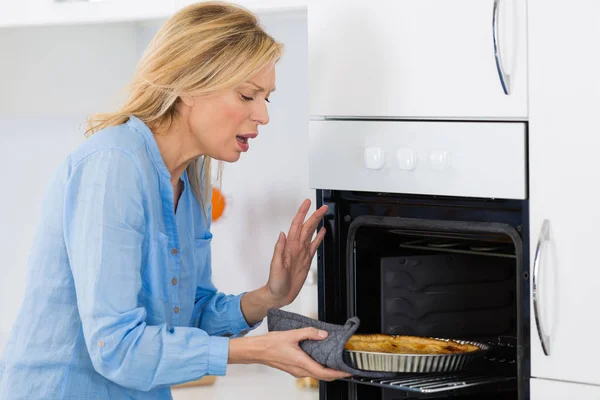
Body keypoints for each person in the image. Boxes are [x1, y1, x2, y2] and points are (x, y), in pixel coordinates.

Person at [0, 2, 350, 399]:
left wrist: (269, 297)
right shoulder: (113, 166)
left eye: (265, 98)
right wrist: (254, 352)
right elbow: (115, 348)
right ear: (189, 85)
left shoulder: (192, 180)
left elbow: (187, 318)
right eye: (248, 95)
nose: (263, 116)